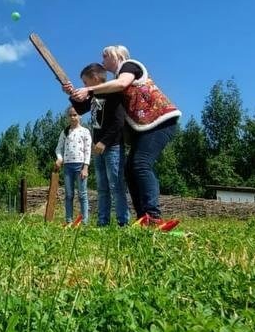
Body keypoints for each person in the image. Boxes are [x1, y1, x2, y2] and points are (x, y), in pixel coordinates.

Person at [66, 46, 180, 229]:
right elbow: (83, 107)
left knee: (141, 164)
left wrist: (89, 90)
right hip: (145, 128)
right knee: (130, 169)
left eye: (105, 57)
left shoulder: (130, 66)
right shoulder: (110, 84)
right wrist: (73, 93)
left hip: (161, 122)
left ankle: (153, 216)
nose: (102, 61)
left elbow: (120, 85)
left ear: (116, 56)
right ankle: (143, 217)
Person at [74, 63, 129, 227]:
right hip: (98, 147)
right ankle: (103, 222)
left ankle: (122, 222)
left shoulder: (114, 94)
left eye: (85, 82)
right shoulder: (94, 96)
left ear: (95, 78)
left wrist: (104, 142)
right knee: (102, 187)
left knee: (116, 186)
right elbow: (80, 108)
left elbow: (119, 122)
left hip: (112, 146)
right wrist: (70, 92)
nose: (84, 86)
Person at [55, 107, 91, 226]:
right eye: (70, 115)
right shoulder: (65, 132)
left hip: (80, 166)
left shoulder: (85, 131)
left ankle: (84, 221)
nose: (73, 117)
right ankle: (69, 220)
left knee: (82, 194)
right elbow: (59, 148)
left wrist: (85, 167)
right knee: (69, 194)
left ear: (80, 116)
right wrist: (60, 159)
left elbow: (88, 150)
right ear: (67, 117)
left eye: (75, 115)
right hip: (67, 167)